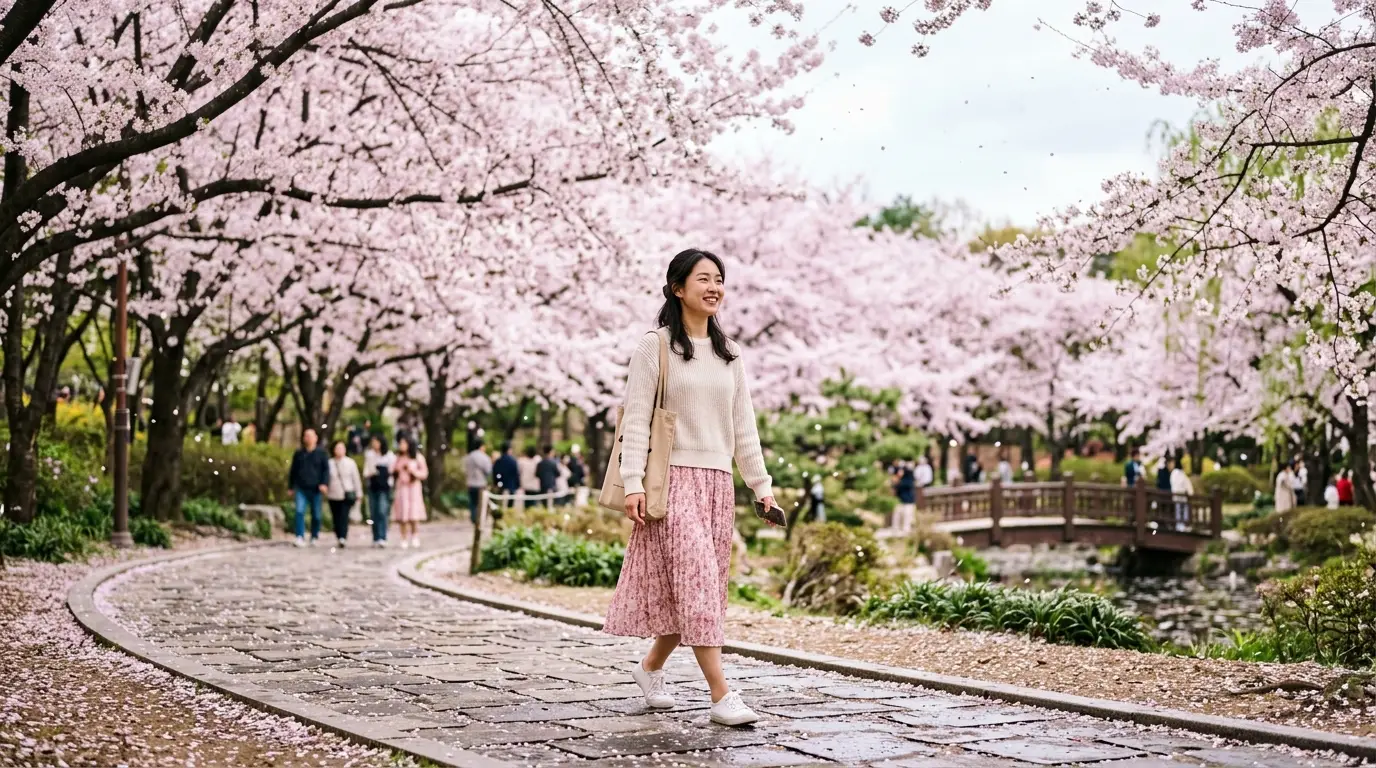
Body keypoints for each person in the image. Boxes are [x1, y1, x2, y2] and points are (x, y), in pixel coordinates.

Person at [602, 247, 778, 727]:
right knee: (698, 584)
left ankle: (649, 668)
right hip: (671, 482)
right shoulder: (654, 346)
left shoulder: (730, 354)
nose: (714, 286)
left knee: (696, 591)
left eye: (719, 278)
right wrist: (634, 482)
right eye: (703, 278)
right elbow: (636, 420)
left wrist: (762, 487)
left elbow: (745, 428)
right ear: (678, 288)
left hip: (718, 485)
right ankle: (722, 695)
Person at [287, 428, 329, 547]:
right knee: (299, 511)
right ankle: (299, 536)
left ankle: (314, 536)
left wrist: (324, 483)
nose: (308, 438)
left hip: (316, 489)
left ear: (316, 438)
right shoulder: (299, 454)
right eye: (306, 436)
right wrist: (291, 486)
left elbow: (326, 470)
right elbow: (293, 471)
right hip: (301, 488)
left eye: (310, 436)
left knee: (316, 514)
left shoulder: (321, 454)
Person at [390, 436, 428, 549]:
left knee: (414, 513)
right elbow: (391, 470)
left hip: (414, 488)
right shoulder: (398, 457)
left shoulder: (417, 457)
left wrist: (413, 471)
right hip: (402, 487)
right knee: (403, 513)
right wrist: (398, 468)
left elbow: (424, 473)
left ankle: (415, 536)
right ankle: (403, 537)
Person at [326, 440, 362, 549]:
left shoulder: (350, 462)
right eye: (337, 448)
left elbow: (356, 478)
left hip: (346, 493)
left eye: (342, 448)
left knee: (344, 516)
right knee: (336, 517)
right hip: (333, 493)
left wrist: (359, 492)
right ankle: (338, 535)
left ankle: (343, 537)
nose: (340, 450)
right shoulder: (329, 463)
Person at [363, 436, 395, 547]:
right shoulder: (369, 454)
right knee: (373, 512)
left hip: (384, 487)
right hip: (373, 486)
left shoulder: (389, 455)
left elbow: (392, 471)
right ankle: (375, 537)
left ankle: (382, 536)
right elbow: (366, 470)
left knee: (382, 511)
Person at [463, 439, 493, 525]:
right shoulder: (484, 457)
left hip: (470, 483)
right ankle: (480, 518)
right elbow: (488, 471)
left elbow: (465, 470)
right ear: (481, 446)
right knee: (481, 503)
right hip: (481, 483)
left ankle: (473, 518)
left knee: (472, 502)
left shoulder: (468, 457)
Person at [492, 441, 521, 509]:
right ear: (509, 449)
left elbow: (496, 474)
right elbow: (516, 474)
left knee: (500, 504)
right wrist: (517, 485)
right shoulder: (513, 461)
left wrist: (497, 483)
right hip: (511, 486)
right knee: (510, 506)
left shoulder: (498, 461)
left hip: (501, 486)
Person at [1170, 460, 1194, 531]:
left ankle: (1179, 526)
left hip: (1175, 495)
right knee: (1183, 511)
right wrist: (1190, 493)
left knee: (1178, 511)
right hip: (1182, 496)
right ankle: (1183, 526)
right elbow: (1187, 485)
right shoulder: (1181, 474)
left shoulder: (1173, 473)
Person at [892, 462, 916, 533]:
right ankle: (895, 529)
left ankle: (906, 530)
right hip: (899, 500)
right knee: (897, 515)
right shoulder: (898, 478)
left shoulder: (909, 478)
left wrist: (899, 481)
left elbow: (907, 485)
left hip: (908, 500)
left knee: (907, 516)